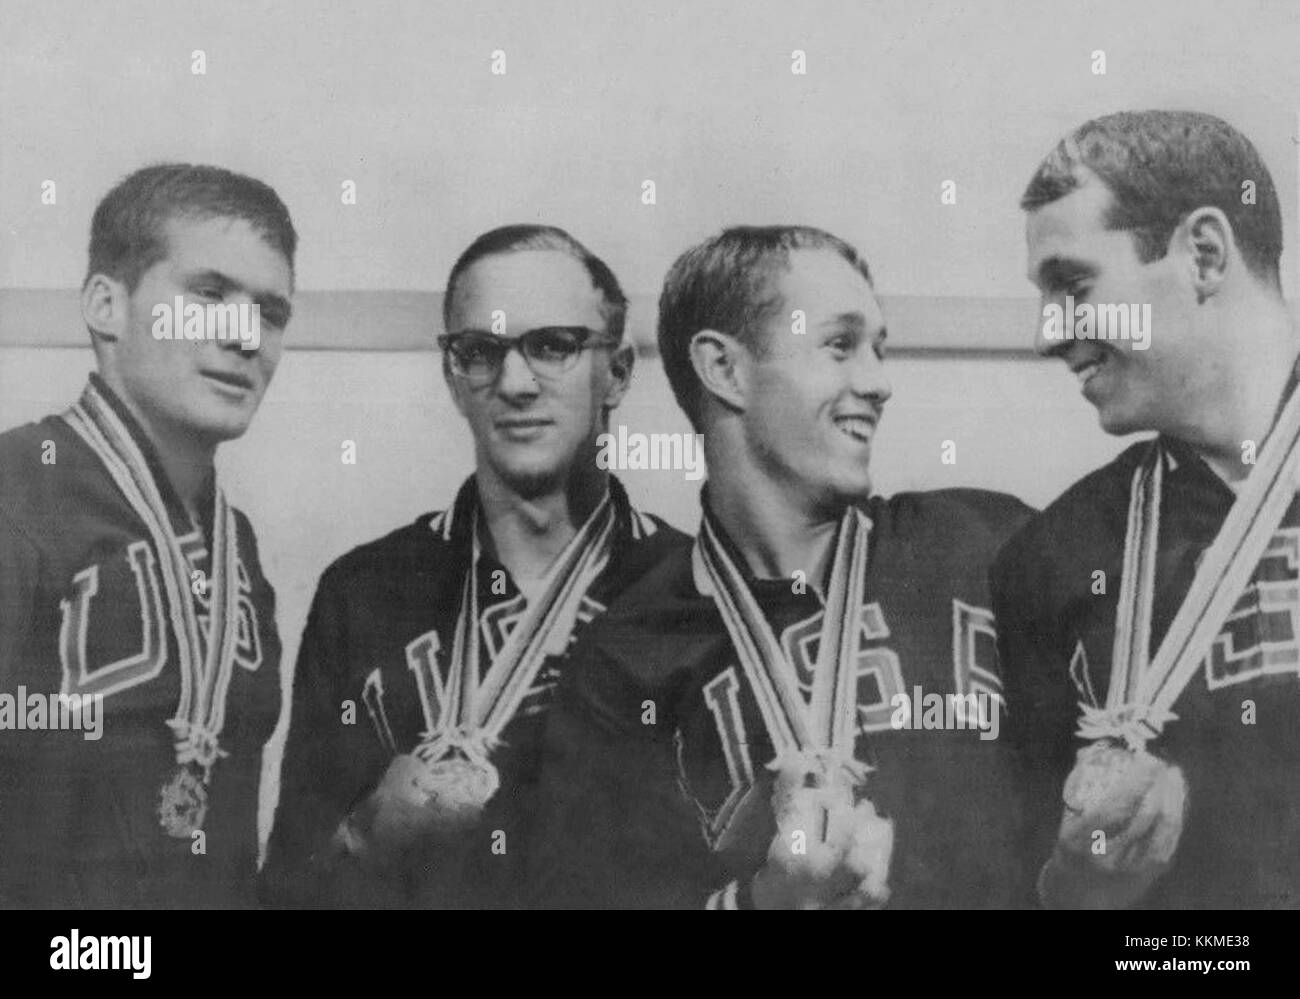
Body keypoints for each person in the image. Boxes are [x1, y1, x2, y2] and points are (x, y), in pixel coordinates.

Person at [529, 225, 1035, 909]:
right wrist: (761, 901)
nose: (878, 382)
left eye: (877, 349)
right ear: (725, 370)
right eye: (840, 345)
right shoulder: (620, 663)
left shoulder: (988, 546)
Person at [261, 224, 687, 908]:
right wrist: (366, 834)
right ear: (452, 375)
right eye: (482, 351)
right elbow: (287, 890)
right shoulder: (365, 591)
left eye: (553, 346)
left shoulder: (698, 592)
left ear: (619, 371)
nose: (515, 383)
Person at [994, 110, 1300, 909]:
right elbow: (1039, 883)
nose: (1046, 335)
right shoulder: (1051, 558)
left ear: (1202, 253)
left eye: (1072, 284)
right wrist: (1082, 882)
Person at [0, 163, 297, 908]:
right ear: (107, 304)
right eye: (208, 294)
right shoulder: (17, 494)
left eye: (270, 312)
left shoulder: (238, 547)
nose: (244, 334)